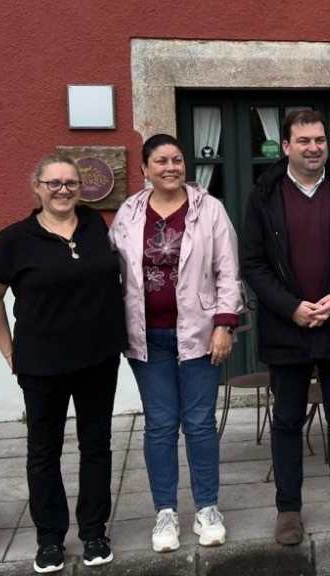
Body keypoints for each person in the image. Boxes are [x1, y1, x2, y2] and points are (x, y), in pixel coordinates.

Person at [241, 110, 330, 544]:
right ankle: (289, 510)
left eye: (319, 139)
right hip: (288, 328)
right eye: (303, 140)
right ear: (285, 146)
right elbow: (253, 263)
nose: (313, 147)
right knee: (286, 421)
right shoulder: (263, 194)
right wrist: (290, 307)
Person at [110, 134, 242, 552]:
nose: (171, 167)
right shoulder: (129, 213)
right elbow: (113, 274)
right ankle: (165, 512)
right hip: (147, 338)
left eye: (178, 160)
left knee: (200, 424)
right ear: (145, 169)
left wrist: (224, 324)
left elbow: (228, 272)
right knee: (160, 425)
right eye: (161, 161)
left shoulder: (210, 210)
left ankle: (207, 508)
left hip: (201, 335)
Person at [0, 155, 127, 573]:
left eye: (70, 182)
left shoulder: (94, 227)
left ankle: (93, 532)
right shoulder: (15, 238)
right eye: (54, 183)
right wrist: (7, 347)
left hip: (97, 358)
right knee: (43, 451)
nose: (64, 189)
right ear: (37, 187)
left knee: (96, 446)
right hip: (41, 362)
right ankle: (49, 539)